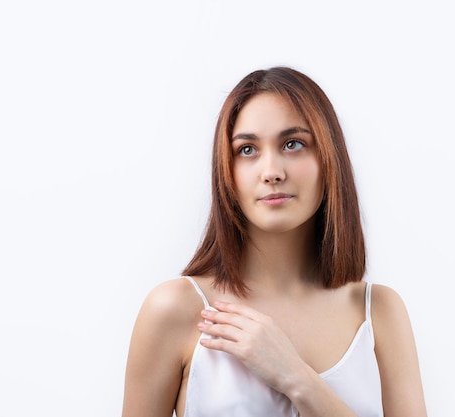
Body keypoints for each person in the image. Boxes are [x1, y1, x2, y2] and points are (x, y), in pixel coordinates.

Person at [121, 66, 427, 417]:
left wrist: (296, 378)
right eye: (247, 149)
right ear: (227, 170)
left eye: (292, 144)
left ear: (329, 158)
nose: (271, 172)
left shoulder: (379, 312)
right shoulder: (175, 310)